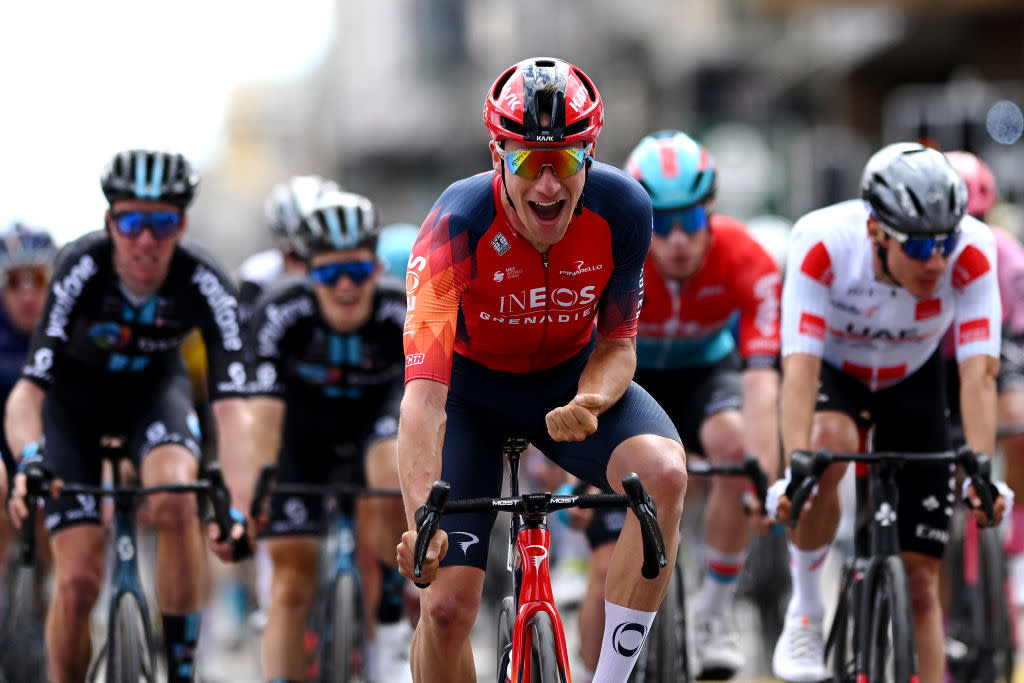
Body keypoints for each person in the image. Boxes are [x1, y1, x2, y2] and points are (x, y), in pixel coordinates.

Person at [394, 56, 687, 683]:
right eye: (528, 161)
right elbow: (423, 396)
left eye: (567, 161)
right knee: (445, 609)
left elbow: (617, 343)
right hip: (468, 396)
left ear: (591, 154)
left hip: (568, 385)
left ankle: (610, 677)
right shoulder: (455, 224)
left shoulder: (625, 210)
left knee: (662, 472)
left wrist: (590, 400)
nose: (549, 185)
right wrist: (421, 516)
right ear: (497, 153)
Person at [5, 148, 253, 683]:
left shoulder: (204, 279)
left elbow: (234, 410)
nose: (146, 238)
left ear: (182, 224)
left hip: (153, 396)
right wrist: (28, 460)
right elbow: (28, 391)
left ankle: (182, 667)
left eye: (162, 222)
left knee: (174, 497)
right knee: (76, 584)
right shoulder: (79, 266)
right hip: (73, 409)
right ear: (109, 221)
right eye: (131, 220)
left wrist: (236, 505)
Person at [769, 142, 1007, 683]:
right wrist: (795, 468)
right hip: (836, 371)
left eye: (946, 241)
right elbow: (799, 368)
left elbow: (979, 372)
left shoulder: (973, 249)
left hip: (913, 377)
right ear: (877, 230)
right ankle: (805, 609)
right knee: (824, 449)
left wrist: (982, 468)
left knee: (922, 580)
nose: (937, 260)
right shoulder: (822, 241)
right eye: (920, 245)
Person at [622, 129, 782, 679]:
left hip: (706, 372)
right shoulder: (616, 254)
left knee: (735, 446)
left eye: (689, 221)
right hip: (633, 372)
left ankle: (716, 607)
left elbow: (762, 378)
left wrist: (762, 470)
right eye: (659, 225)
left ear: (711, 210)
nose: (676, 241)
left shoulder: (745, 255)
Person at [248, 189, 410, 683]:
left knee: (389, 472)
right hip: (302, 435)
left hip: (376, 420)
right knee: (290, 583)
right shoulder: (281, 311)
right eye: (328, 273)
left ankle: (389, 617)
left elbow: (425, 407)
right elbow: (264, 418)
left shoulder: (397, 310)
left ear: (376, 269)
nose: (344, 286)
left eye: (358, 272)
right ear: (307, 272)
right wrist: (259, 491)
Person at [944, 150, 1024, 604]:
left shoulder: (1006, 252)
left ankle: (1015, 544)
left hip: (995, 346)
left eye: (979, 217)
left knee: (1018, 424)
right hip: (934, 354)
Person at [238, 174, 341, 326]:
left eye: (323, 257)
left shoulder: (361, 275)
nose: (310, 270)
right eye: (296, 256)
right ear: (277, 247)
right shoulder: (256, 278)